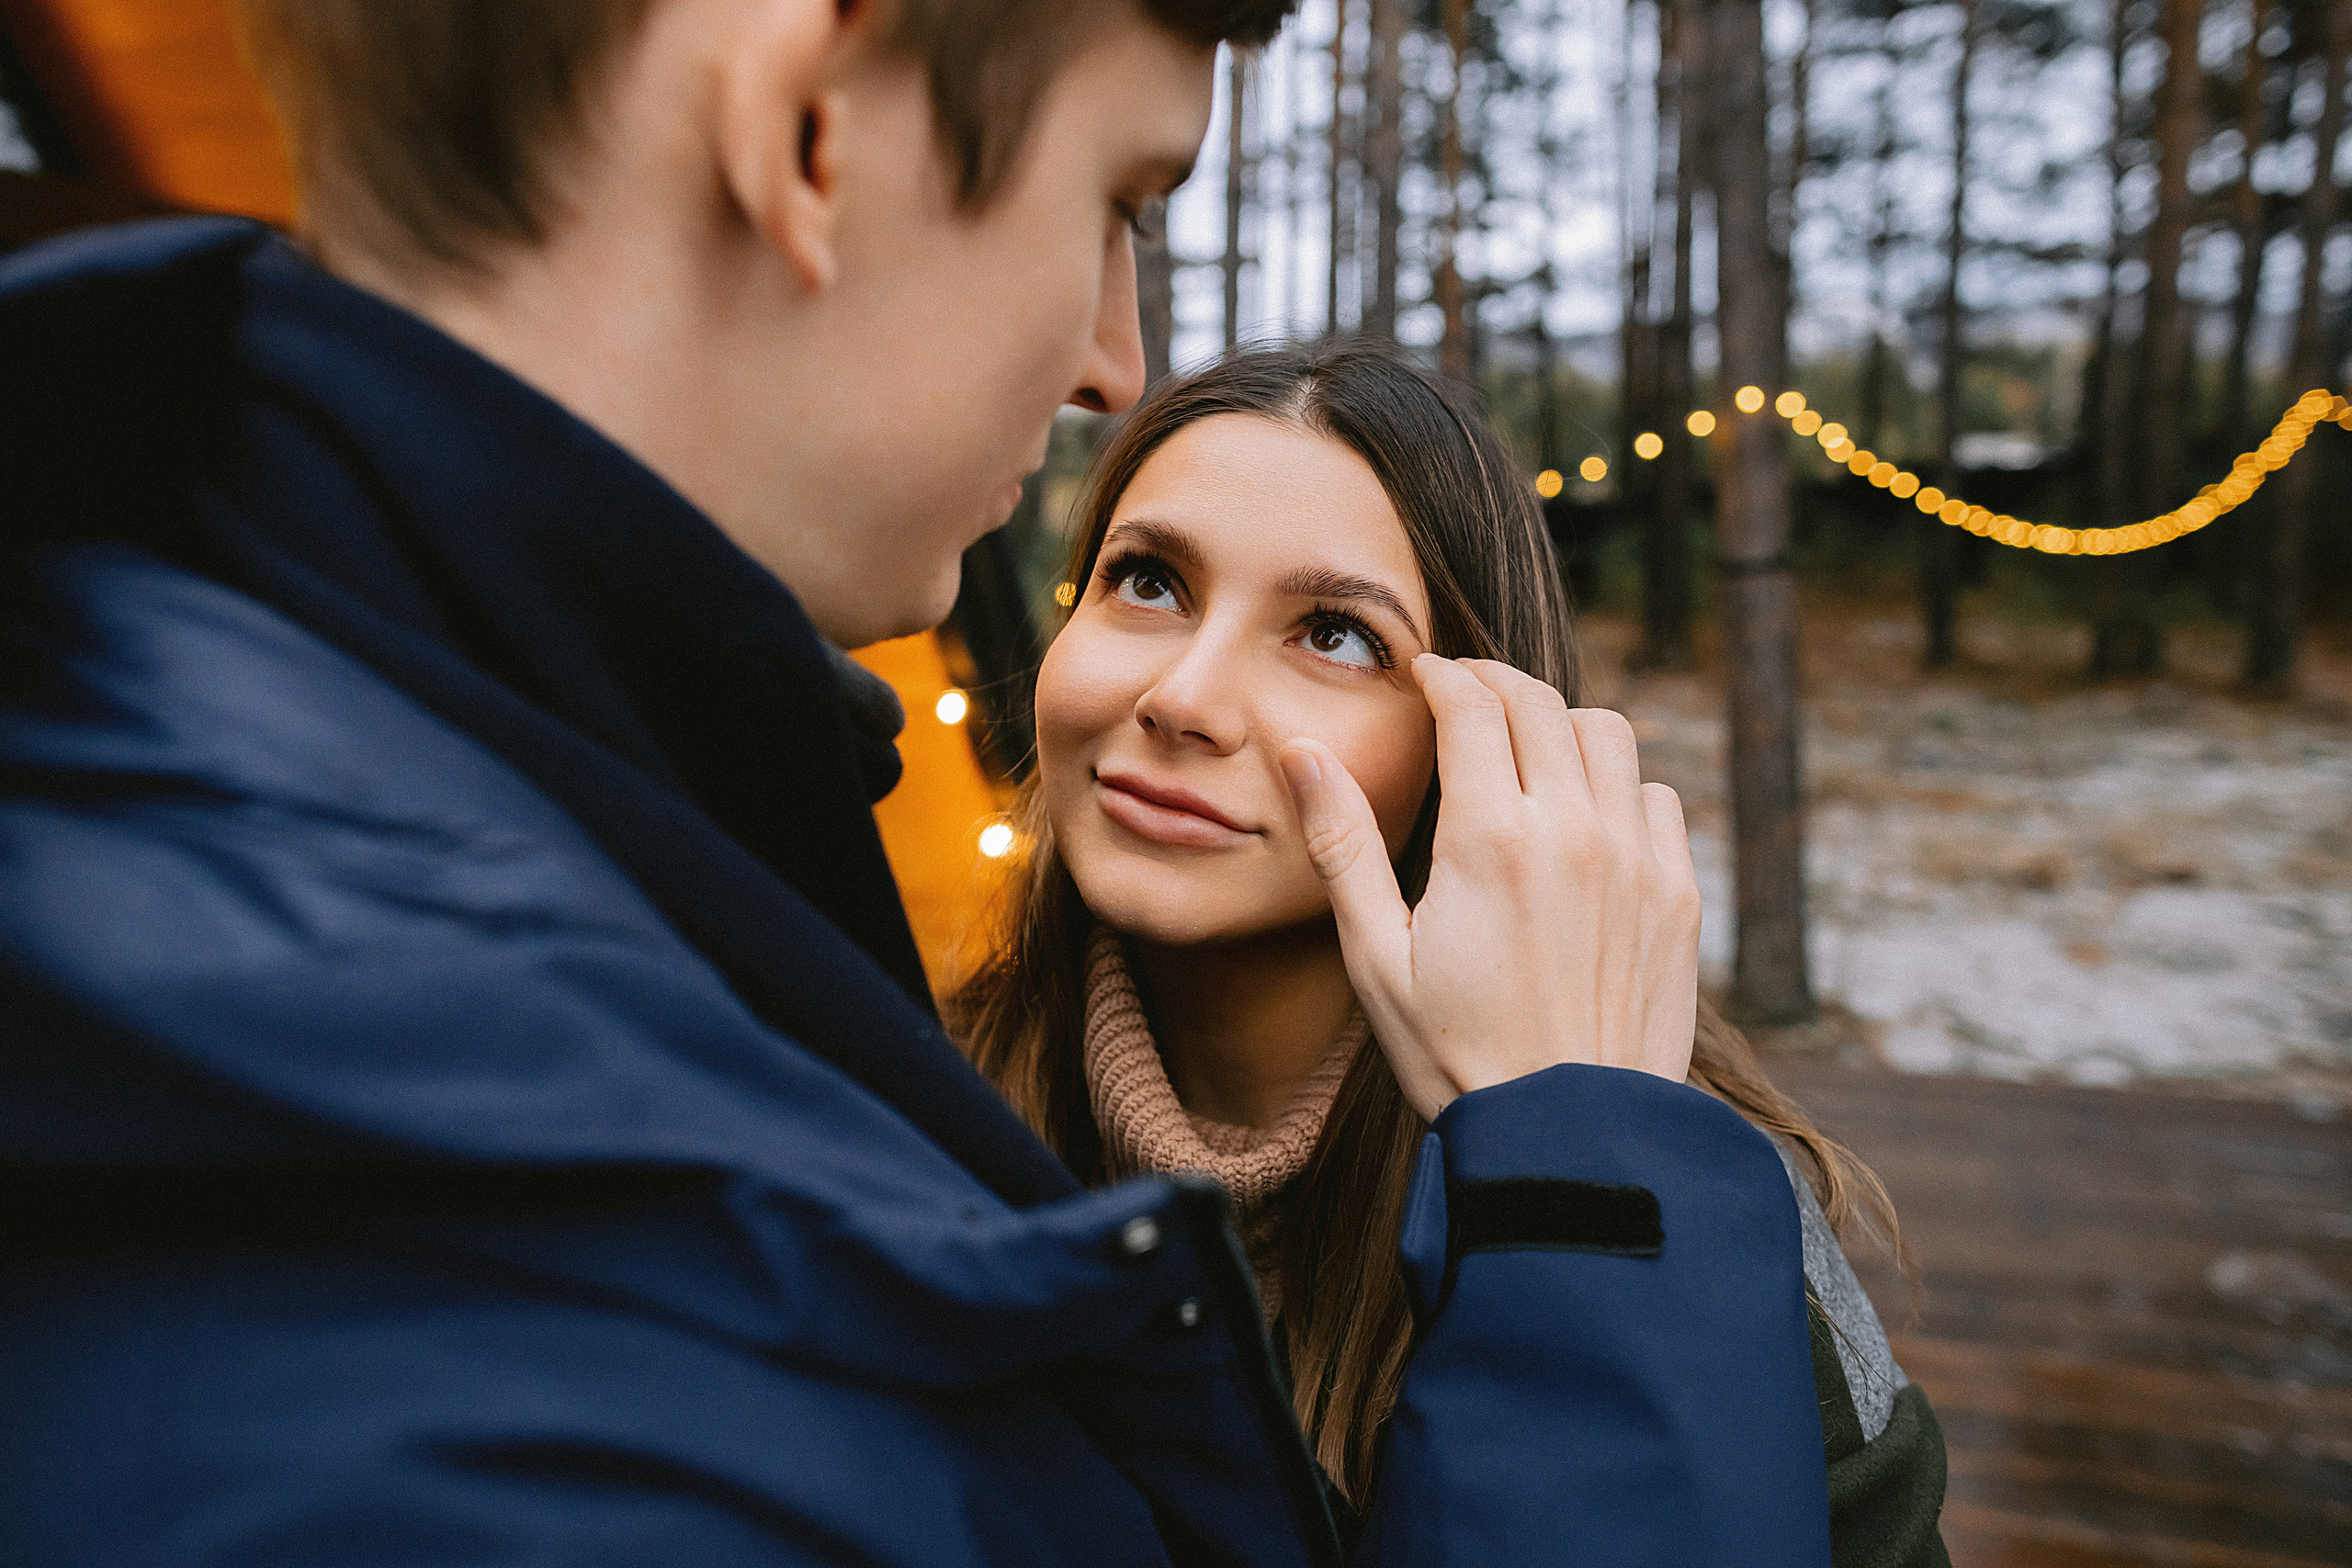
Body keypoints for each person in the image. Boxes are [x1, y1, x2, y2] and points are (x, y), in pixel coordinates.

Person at [4, 1, 1823, 1563]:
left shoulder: (477, 875)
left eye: (1329, 632)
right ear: (806, 118)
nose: (1117, 356)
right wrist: (1595, 1236)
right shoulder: (581, 1364)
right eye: (1113, 195)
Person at [954, 344, 1951, 1562]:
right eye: (1150, 581)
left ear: (1473, 748)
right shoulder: (907, 1103)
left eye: (1332, 634)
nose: (1185, 697)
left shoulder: (1676, 1201)